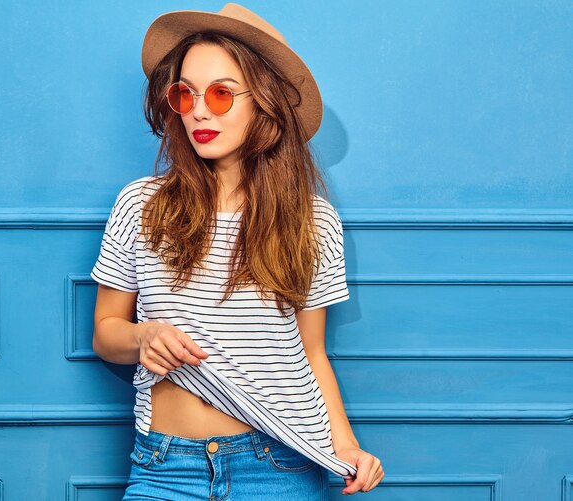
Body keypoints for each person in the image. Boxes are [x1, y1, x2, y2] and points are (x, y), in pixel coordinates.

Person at [90, 3, 384, 499]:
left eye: (222, 93)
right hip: (165, 467)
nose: (199, 110)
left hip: (277, 466)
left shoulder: (312, 221)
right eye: (185, 94)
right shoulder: (140, 204)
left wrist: (347, 443)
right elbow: (105, 333)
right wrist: (144, 338)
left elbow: (311, 353)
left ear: (263, 101)